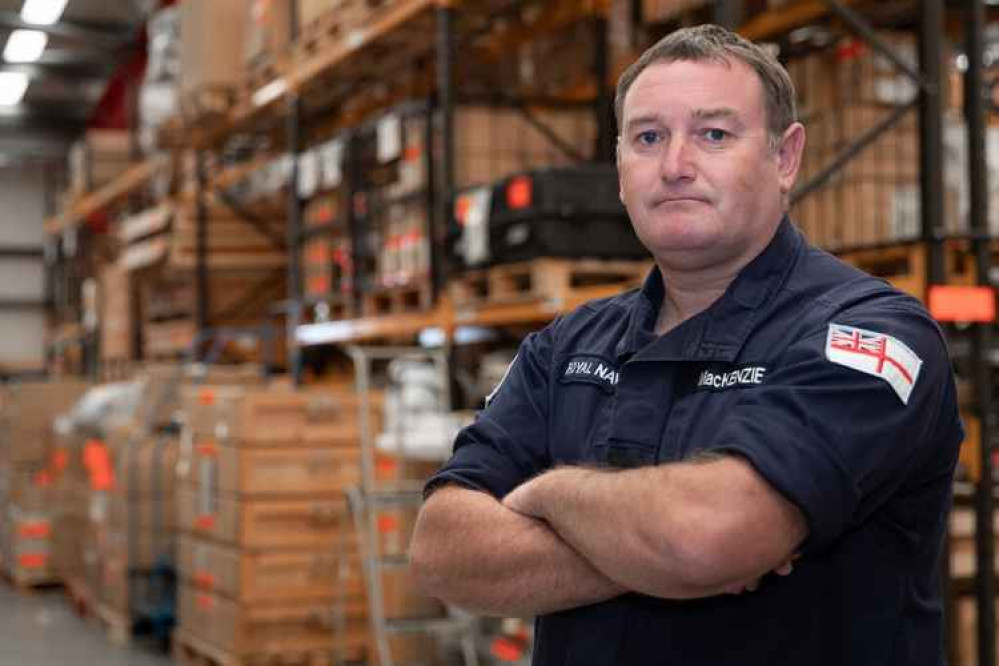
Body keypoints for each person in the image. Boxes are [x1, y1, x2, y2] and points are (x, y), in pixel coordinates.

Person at [410, 24, 963, 666]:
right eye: (648, 137)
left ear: (785, 158)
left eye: (714, 134)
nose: (675, 165)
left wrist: (545, 497)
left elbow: (711, 536)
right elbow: (440, 550)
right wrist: (671, 551)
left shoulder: (869, 336)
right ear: (619, 170)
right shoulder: (565, 349)